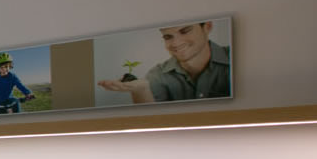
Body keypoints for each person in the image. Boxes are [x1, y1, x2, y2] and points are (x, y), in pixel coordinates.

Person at [98, 21, 231, 103]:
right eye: (168, 37)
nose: (176, 43)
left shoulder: (235, 58)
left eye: (185, 31)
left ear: (207, 27)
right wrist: (141, 90)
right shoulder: (157, 75)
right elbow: (151, 121)